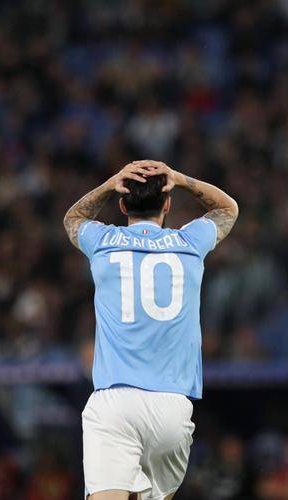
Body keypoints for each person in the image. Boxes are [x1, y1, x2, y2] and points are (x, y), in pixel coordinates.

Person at [63, 160, 238, 500]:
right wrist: (181, 179)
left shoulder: (103, 241)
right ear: (167, 204)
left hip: (114, 401)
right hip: (171, 405)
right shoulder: (189, 241)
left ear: (122, 205)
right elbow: (227, 208)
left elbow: (74, 218)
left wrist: (109, 184)